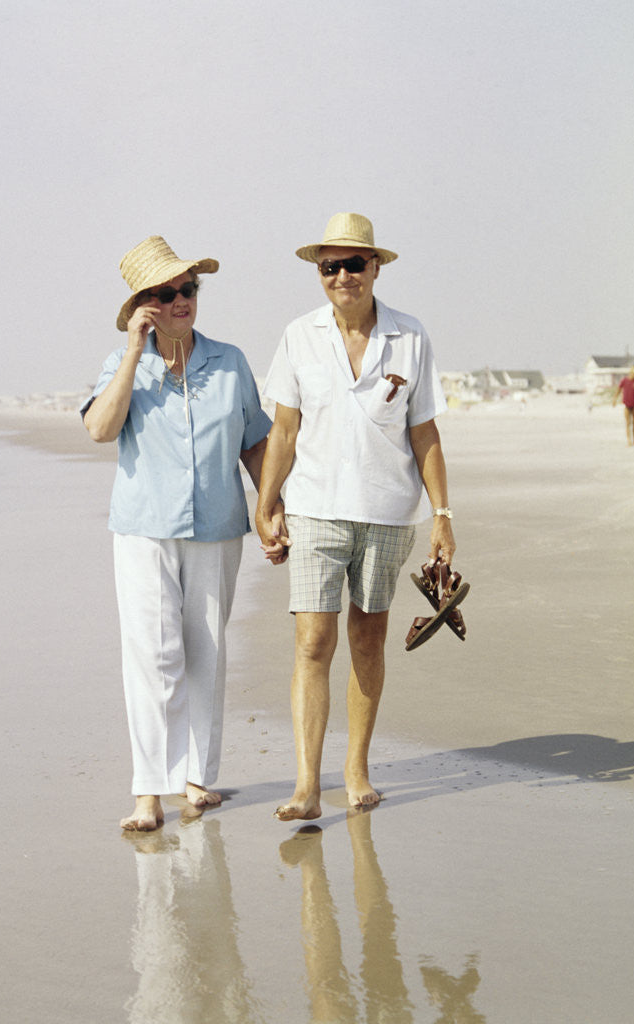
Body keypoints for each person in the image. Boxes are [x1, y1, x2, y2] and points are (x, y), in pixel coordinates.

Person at [255, 212, 456, 816]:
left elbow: (425, 433)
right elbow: (284, 431)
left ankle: (356, 767)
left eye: (354, 264)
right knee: (313, 641)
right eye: (330, 266)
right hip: (315, 508)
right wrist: (266, 504)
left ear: (376, 267)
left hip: (389, 511)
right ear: (320, 275)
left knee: (368, 639)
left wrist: (442, 514)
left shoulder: (410, 335)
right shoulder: (298, 336)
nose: (343, 275)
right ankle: (307, 784)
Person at [82, 236, 274, 831]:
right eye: (165, 294)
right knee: (153, 654)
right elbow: (99, 429)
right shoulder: (122, 366)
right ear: (144, 304)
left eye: (188, 289)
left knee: (206, 651)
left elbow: (256, 441)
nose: (181, 300)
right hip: (144, 529)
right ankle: (148, 791)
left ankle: (196, 779)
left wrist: (272, 508)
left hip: (217, 526)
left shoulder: (230, 362)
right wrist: (135, 349)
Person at [612, 365, 634, 445]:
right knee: (628, 423)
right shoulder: (624, 380)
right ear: (630, 373)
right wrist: (614, 400)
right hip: (626, 405)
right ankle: (629, 440)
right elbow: (618, 390)